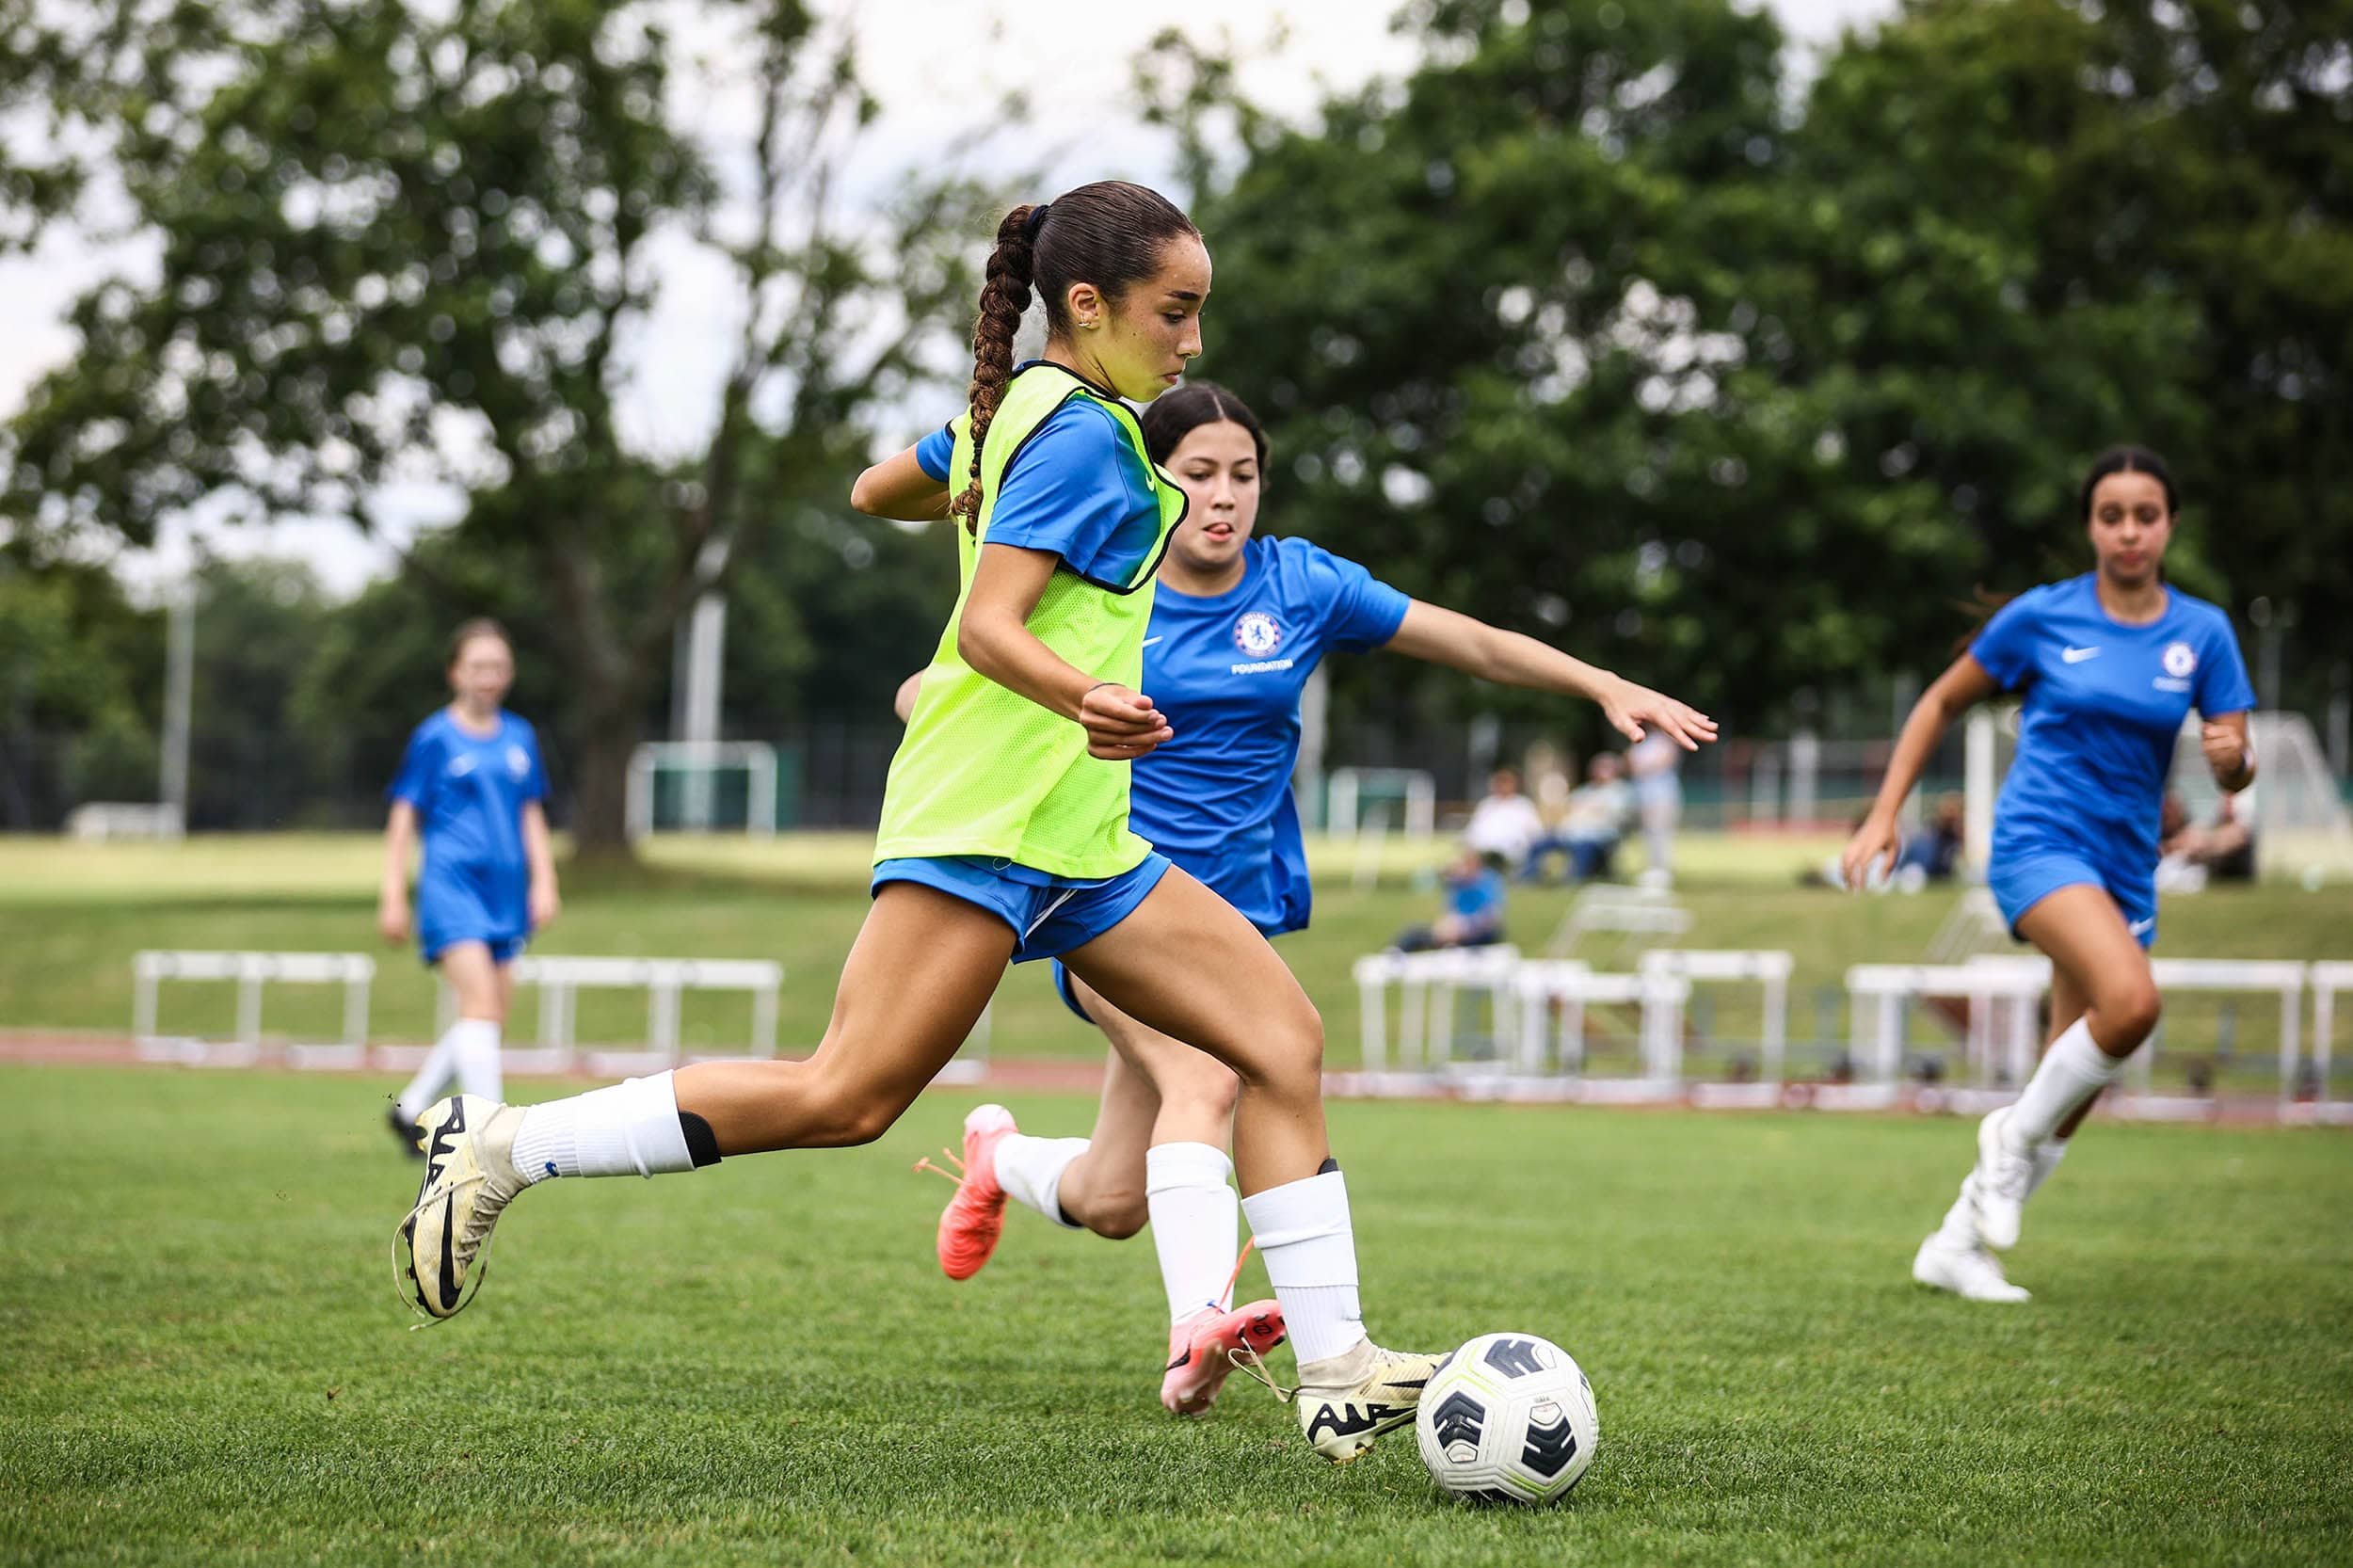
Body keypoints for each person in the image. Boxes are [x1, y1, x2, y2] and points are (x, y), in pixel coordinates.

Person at [398, 182, 1443, 1464]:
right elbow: (995, 627)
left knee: (1281, 1038)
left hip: (1083, 836)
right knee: (846, 1095)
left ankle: (1338, 1366)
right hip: (985, 816)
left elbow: (874, 486)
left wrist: (972, 469)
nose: (1193, 343)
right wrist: (1089, 693)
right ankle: (501, 1144)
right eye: (1177, 312)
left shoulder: (1026, 416)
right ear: (1086, 304)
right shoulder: (1071, 437)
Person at [882, 378, 1713, 1416]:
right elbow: (972, 667)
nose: (1222, 499)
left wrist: (1602, 684)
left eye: (1244, 475)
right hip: (1104, 893)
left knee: (1111, 1197)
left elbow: (1473, 642)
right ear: (1153, 481)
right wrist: (932, 696)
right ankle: (1196, 1333)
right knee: (1209, 1084)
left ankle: (998, 1158)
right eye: (1196, 476)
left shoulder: (1301, 586)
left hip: (1235, 923)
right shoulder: (1103, 584)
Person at [1842, 446, 2254, 1304]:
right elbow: (1938, 703)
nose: (2130, 531)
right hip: (2039, 845)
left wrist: (2235, 760)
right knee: (2133, 1006)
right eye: (2112, 515)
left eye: (2146, 514)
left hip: (2125, 868)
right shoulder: (2043, 618)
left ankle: (1953, 1244)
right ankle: (2005, 1134)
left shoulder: (2204, 632)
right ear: (2090, 526)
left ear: (2170, 524)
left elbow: (2233, 767)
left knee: (2070, 1091)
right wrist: (1886, 814)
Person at [377, 619, 558, 1154]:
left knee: (491, 1013)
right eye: (479, 666)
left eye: (499, 666)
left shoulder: (520, 736)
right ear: (456, 671)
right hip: (450, 887)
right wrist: (393, 893)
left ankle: (411, 1110)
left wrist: (545, 880)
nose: (490, 676)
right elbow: (403, 816)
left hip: (506, 892)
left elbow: (530, 813)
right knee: (479, 1003)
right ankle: (490, 1135)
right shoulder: (434, 736)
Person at [1390, 848, 1509, 952]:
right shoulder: (1458, 884)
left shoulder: (1488, 881)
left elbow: (1491, 916)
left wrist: (1465, 927)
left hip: (1479, 930)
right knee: (1418, 932)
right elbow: (1451, 910)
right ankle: (1397, 951)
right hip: (1455, 928)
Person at [1463, 766, 1547, 873]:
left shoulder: (1524, 806)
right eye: (1499, 783)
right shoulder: (1486, 805)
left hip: (1514, 851)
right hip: (1484, 850)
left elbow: (1536, 833)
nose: (1502, 786)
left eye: (1506, 783)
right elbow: (1472, 831)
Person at [1627, 727, 1684, 884]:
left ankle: (1663, 870)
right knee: (1647, 834)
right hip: (1643, 795)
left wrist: (1644, 766)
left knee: (1661, 833)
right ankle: (1651, 868)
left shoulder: (1665, 741)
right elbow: (1631, 764)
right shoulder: (1641, 740)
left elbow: (1662, 761)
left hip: (1662, 795)